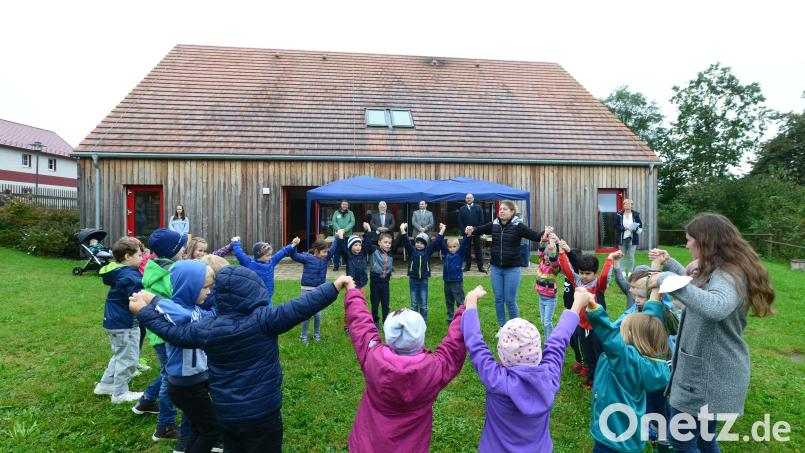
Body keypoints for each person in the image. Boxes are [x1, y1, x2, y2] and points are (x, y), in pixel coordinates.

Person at [132, 267, 354, 453]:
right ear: (254, 291)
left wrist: (144, 312)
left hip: (226, 414)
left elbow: (174, 335)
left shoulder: (207, 327)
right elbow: (302, 306)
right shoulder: (265, 320)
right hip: (264, 414)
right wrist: (334, 286)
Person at [647, 213, 775, 452]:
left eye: (689, 240)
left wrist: (666, 278)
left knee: (681, 439)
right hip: (707, 373)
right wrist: (672, 265)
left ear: (705, 242)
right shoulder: (721, 269)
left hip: (707, 377)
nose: (687, 245)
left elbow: (715, 306)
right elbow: (698, 290)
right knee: (705, 439)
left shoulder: (729, 275)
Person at [462, 285, 588, 452]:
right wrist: (577, 304)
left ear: (502, 354)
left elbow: (475, 343)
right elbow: (559, 340)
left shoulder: (496, 379)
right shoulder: (549, 375)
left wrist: (471, 303)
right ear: (538, 351)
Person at [344, 284, 467, 452]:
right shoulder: (435, 369)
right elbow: (454, 346)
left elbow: (361, 324)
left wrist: (353, 291)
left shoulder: (372, 357)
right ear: (421, 336)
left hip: (368, 445)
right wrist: (466, 308)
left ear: (388, 336)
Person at [138, 260, 220, 453]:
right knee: (211, 429)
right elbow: (185, 316)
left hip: (195, 382)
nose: (209, 292)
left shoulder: (195, 309)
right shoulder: (177, 311)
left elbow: (211, 316)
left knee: (195, 425)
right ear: (188, 287)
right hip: (186, 386)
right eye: (205, 287)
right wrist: (154, 299)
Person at [581, 287, 671, 453]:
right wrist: (655, 293)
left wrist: (594, 309)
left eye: (623, 328)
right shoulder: (651, 360)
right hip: (630, 437)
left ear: (632, 338)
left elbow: (609, 336)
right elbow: (650, 324)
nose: (619, 329)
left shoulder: (624, 361)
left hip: (611, 438)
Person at [466, 200, 542, 326]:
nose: (501, 211)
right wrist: (471, 229)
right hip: (496, 268)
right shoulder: (494, 224)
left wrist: (546, 233)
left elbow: (535, 236)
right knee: (498, 300)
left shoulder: (518, 226)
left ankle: (516, 328)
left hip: (512, 269)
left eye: (505, 209)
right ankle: (502, 327)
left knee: (510, 300)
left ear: (512, 212)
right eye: (500, 209)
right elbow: (478, 229)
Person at [93, 237, 144, 404]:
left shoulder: (118, 272)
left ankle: (106, 385)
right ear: (127, 257)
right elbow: (139, 297)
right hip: (125, 323)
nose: (141, 258)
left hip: (113, 321)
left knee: (120, 355)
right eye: (139, 255)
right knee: (129, 359)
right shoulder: (131, 276)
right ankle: (120, 394)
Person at [558, 239, 613, 389]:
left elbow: (605, 276)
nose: (583, 276)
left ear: (594, 273)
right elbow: (567, 269)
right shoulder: (578, 283)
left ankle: (599, 378)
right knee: (587, 352)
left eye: (588, 274)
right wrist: (562, 253)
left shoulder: (598, 285)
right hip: (582, 326)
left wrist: (610, 260)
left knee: (598, 353)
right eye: (581, 273)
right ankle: (590, 374)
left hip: (596, 327)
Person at [290, 234, 342, 343]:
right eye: (324, 252)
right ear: (316, 251)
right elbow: (294, 255)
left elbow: (333, 249)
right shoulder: (307, 258)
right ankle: (303, 336)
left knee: (318, 315)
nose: (326, 254)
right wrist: (294, 245)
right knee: (306, 315)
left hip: (319, 291)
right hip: (306, 290)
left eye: (326, 252)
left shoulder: (325, 258)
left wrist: (338, 237)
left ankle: (316, 335)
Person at [232, 236, 300, 306]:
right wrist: (236, 241)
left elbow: (282, 252)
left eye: (270, 255)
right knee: (255, 312)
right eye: (267, 255)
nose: (270, 257)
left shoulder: (271, 262)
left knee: (268, 312)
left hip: (268, 295)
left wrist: (293, 244)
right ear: (259, 255)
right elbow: (239, 254)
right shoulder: (249, 264)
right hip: (255, 296)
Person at [400, 222, 445, 322]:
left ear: (425, 244)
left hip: (424, 280)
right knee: (414, 304)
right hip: (413, 280)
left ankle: (423, 322)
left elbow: (437, 241)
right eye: (417, 242)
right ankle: (414, 322)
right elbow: (406, 241)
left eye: (422, 243)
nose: (419, 244)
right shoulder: (412, 250)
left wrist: (442, 230)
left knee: (424, 304)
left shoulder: (428, 251)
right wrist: (402, 229)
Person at [340, 223, 374, 334]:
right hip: (351, 285)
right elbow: (342, 248)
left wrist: (368, 230)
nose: (358, 247)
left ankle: (360, 323)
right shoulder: (348, 256)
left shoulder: (363, 254)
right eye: (355, 245)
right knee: (350, 305)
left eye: (359, 245)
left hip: (362, 284)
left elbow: (367, 243)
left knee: (361, 304)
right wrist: (340, 236)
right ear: (350, 246)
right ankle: (347, 326)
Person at [437, 234, 470, 323]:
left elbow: (464, 243)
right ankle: (450, 318)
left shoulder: (459, 254)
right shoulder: (446, 253)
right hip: (447, 282)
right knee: (449, 301)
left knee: (460, 301)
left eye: (454, 246)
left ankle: (462, 317)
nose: (452, 249)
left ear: (458, 247)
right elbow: (440, 242)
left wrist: (467, 235)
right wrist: (442, 232)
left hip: (457, 282)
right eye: (450, 247)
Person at [534, 228, 561, 338]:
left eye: (549, 255)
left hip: (550, 298)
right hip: (541, 297)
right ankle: (555, 337)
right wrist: (545, 235)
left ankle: (550, 342)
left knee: (547, 322)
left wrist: (552, 243)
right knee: (544, 321)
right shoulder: (541, 263)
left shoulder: (554, 268)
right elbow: (541, 248)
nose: (547, 257)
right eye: (546, 255)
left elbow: (553, 257)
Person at [367, 228, 395, 327]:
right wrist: (369, 231)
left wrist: (402, 230)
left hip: (385, 282)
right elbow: (366, 243)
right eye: (385, 242)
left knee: (386, 304)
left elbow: (401, 240)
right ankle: (375, 320)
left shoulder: (391, 252)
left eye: (389, 243)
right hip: (375, 282)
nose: (388, 244)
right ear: (379, 242)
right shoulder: (374, 250)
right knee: (375, 303)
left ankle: (386, 321)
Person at [457, 193, 485, 272]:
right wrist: (465, 230)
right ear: (465, 199)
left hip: (476, 232)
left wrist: (475, 229)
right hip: (466, 233)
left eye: (470, 198)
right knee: (467, 250)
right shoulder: (462, 209)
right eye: (467, 198)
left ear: (473, 199)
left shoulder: (478, 208)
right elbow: (460, 221)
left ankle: (480, 267)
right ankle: (467, 267)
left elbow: (481, 220)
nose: (469, 199)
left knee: (478, 249)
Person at [614, 198, 642, 276]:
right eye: (625, 203)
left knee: (631, 255)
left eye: (629, 203)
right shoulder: (619, 214)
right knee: (622, 255)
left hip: (632, 237)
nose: (626, 205)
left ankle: (630, 272)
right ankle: (622, 271)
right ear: (623, 205)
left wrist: (634, 228)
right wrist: (623, 228)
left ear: (632, 205)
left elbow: (640, 225)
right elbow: (616, 226)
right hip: (622, 237)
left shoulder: (636, 214)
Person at [331, 200, 355, 271]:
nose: (345, 206)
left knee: (347, 251)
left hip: (348, 235)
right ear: (341, 205)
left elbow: (352, 222)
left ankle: (349, 265)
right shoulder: (336, 212)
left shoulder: (350, 213)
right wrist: (339, 230)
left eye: (346, 205)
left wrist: (345, 230)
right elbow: (334, 222)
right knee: (337, 251)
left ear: (348, 206)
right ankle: (336, 266)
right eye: (343, 204)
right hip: (338, 235)